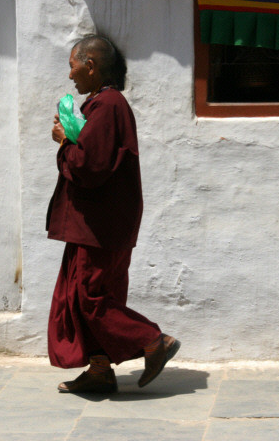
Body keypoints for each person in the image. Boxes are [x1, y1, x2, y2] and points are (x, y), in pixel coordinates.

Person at [47, 35, 180, 393]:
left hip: (100, 223)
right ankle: (100, 370)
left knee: (90, 296)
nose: (70, 74)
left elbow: (90, 166)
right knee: (82, 295)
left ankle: (154, 341)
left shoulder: (107, 106)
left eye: (73, 64)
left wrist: (64, 144)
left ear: (90, 64)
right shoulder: (103, 104)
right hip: (97, 221)